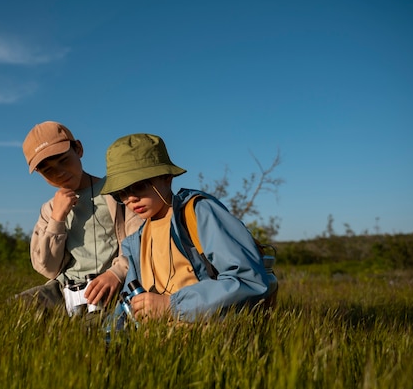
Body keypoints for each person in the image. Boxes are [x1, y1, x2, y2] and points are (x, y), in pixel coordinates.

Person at [100, 133, 277, 324]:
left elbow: (248, 281)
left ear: (167, 177)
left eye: (138, 186)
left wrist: (171, 305)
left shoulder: (199, 213)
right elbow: (130, 304)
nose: (130, 198)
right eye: (121, 193)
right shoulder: (136, 241)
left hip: (211, 344)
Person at [14, 121, 143, 315]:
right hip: (64, 290)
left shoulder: (116, 193)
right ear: (40, 174)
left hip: (108, 287)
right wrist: (57, 219)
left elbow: (140, 241)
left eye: (64, 160)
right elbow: (47, 268)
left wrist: (116, 274)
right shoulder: (49, 209)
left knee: (91, 336)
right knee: (6, 312)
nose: (60, 173)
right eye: (48, 170)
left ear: (79, 149)